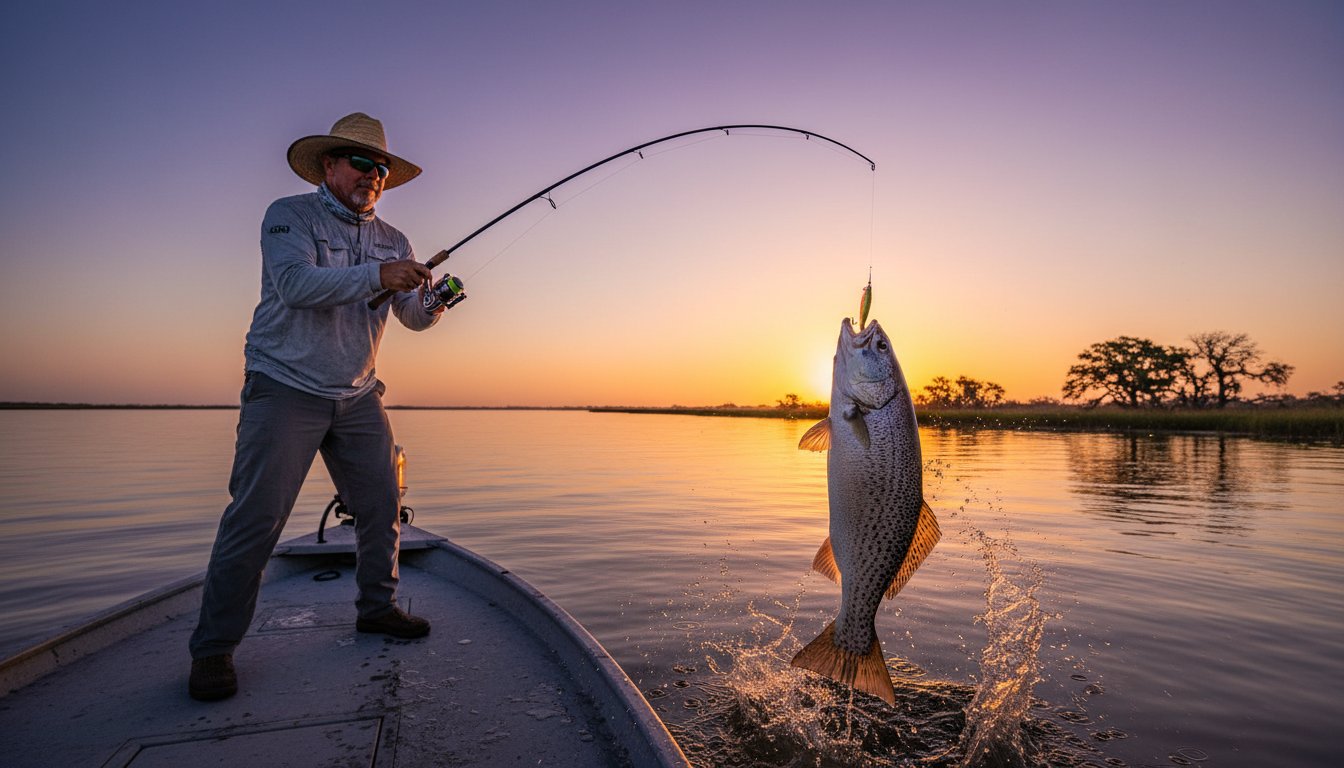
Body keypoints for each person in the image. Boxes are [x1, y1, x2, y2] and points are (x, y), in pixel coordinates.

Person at [188, 112, 445, 702]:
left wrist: (432, 305)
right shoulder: (288, 218)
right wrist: (377, 273)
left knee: (382, 508)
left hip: (357, 393)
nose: (373, 176)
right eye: (361, 163)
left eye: (381, 168)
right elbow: (296, 286)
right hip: (284, 385)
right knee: (255, 520)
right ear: (328, 165)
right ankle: (213, 650)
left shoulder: (395, 240)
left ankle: (377, 609)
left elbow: (408, 318)